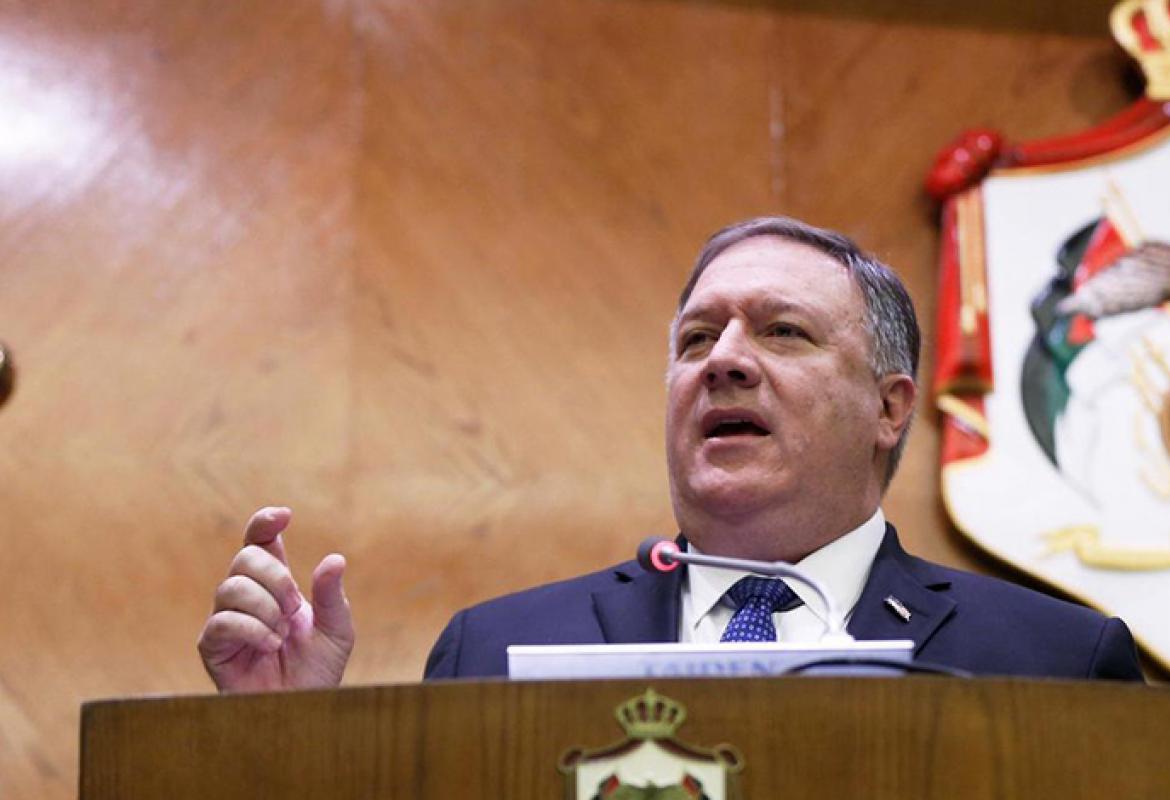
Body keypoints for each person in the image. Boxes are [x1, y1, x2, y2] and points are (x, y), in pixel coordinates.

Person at [197, 216, 1143, 691]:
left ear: (891, 408)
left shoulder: (1054, 660)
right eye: (696, 339)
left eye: (782, 332)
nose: (723, 360)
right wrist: (289, 743)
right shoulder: (497, 651)